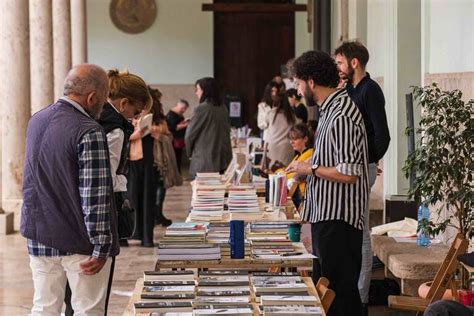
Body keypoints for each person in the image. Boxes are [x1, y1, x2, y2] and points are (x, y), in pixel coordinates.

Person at [21, 64, 117, 315]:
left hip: (39, 234)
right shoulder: (89, 130)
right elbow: (94, 195)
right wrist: (101, 246)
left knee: (43, 307)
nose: (103, 105)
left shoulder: (37, 120)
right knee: (88, 310)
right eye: (104, 99)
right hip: (79, 240)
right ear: (92, 98)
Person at [287, 51, 369, 316]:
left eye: (299, 83)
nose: (298, 91)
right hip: (327, 216)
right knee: (330, 294)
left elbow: (349, 172)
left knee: (340, 296)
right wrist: (306, 173)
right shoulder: (330, 110)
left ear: (312, 81)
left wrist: (309, 168)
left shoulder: (341, 114)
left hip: (339, 220)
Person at [335, 41, 391, 316]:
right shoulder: (349, 89)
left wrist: (368, 160)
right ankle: (353, 289)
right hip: (350, 167)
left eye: (340, 62)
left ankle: (361, 294)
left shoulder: (370, 90)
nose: (338, 68)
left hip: (360, 168)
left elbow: (382, 135)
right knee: (353, 230)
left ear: (353, 62)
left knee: (362, 232)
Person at [185, 77, 232, 178]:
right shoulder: (223, 108)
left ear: (205, 90)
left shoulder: (201, 109)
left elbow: (189, 136)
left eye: (198, 89)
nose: (196, 92)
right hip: (223, 160)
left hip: (204, 161)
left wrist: (189, 154)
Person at [285, 124, 314, 208]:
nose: (291, 142)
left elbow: (291, 175)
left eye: (295, 139)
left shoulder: (310, 153)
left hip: (300, 197)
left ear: (305, 139)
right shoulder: (298, 155)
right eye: (290, 139)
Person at [265, 92, 296, 167]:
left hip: (273, 146)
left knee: (272, 171)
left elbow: (266, 123)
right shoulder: (291, 115)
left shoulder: (271, 113)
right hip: (287, 147)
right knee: (286, 172)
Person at [166, 99, 190, 173]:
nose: (183, 110)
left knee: (178, 158)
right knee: (175, 158)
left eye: (185, 109)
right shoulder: (171, 115)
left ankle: (178, 173)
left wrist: (184, 122)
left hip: (179, 140)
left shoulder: (178, 114)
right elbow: (174, 127)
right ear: (177, 106)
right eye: (182, 108)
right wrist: (186, 124)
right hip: (174, 140)